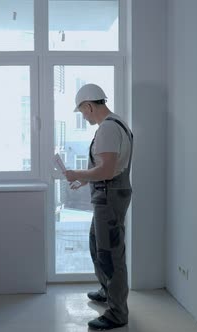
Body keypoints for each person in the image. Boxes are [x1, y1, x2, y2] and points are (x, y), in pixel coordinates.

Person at [63, 83, 133, 330]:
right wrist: (84, 179)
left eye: (82, 111)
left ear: (89, 106)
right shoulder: (118, 123)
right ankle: (107, 291)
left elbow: (106, 169)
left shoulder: (107, 129)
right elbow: (109, 168)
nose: (83, 116)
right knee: (98, 244)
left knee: (110, 253)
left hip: (109, 197)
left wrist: (75, 173)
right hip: (111, 193)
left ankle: (117, 312)